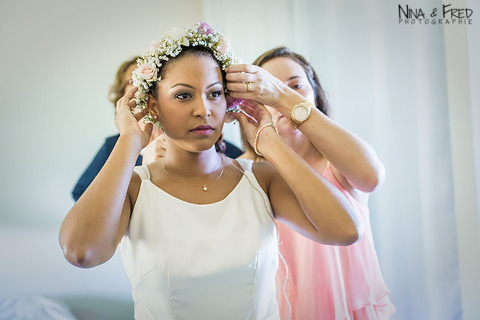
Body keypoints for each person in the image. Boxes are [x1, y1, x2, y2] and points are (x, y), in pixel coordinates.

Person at [59, 22, 362, 320]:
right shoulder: (134, 188)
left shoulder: (261, 178)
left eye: (214, 93)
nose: (203, 109)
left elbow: (346, 230)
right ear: (152, 105)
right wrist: (129, 140)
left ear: (229, 102)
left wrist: (269, 143)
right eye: (183, 95)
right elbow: (81, 252)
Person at [226, 47, 395, 319]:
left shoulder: (337, 159)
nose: (280, 96)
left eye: (295, 86)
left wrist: (281, 96)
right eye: (267, 90)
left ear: (314, 93)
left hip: (349, 307)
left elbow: (372, 177)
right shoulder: (244, 170)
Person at [71, 56, 242, 201]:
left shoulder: (200, 136)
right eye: (133, 81)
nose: (140, 86)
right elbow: (80, 193)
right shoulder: (113, 145)